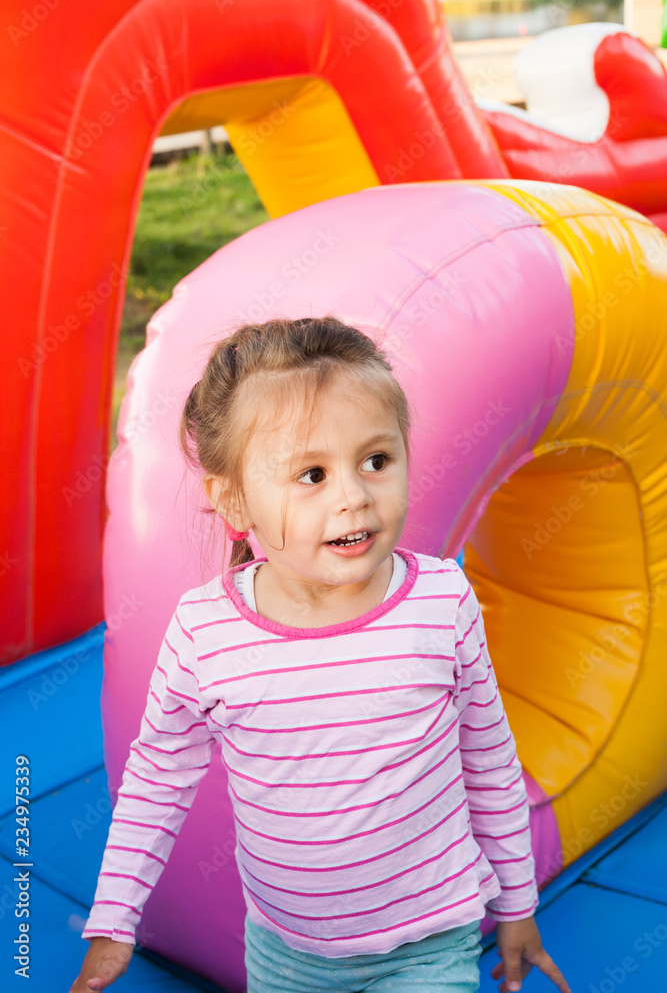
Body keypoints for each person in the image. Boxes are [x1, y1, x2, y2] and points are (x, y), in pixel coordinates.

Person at [71, 316, 572, 993]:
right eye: (311, 474)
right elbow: (157, 781)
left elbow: (486, 757)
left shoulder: (440, 602)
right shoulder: (206, 632)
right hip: (288, 957)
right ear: (233, 500)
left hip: (431, 939)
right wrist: (113, 919)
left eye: (375, 460)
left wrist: (516, 904)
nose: (353, 496)